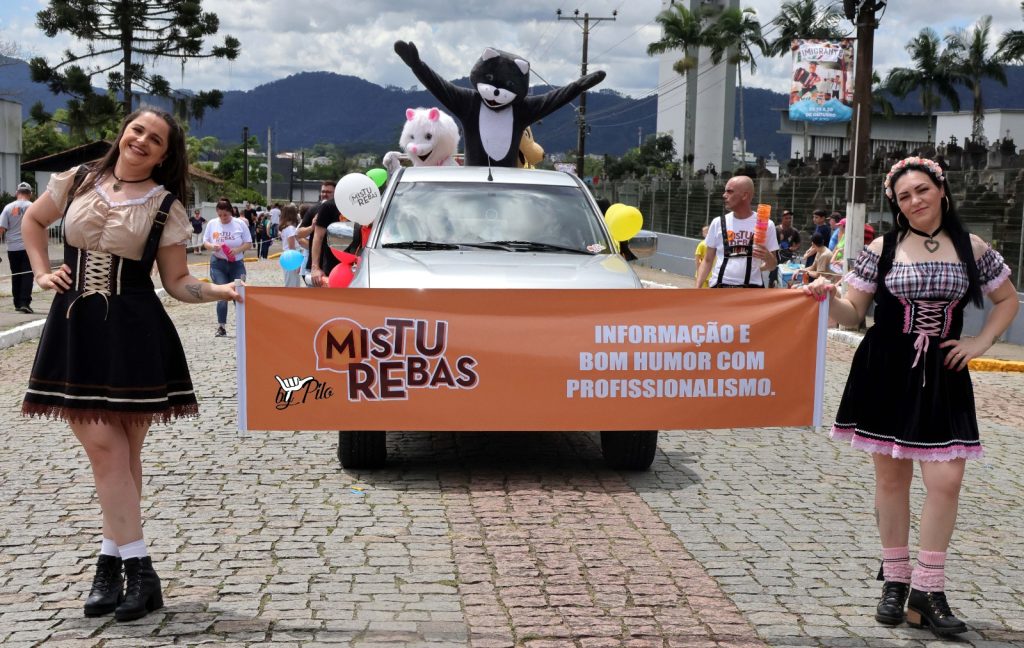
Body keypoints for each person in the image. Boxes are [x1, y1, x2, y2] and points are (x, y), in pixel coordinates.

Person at [18, 107, 243, 622]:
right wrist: (41, 269)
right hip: (75, 327)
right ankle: (139, 569)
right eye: (137, 130)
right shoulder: (77, 181)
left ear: (165, 155)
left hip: (135, 331)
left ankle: (109, 564)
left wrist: (221, 290)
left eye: (155, 139)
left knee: (123, 456)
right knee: (104, 448)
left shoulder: (165, 206)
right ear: (122, 132)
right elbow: (33, 219)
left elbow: (178, 282)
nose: (141, 140)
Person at [803, 157, 1018, 637]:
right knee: (893, 481)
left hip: (943, 373)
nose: (915, 201)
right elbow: (851, 312)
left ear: (941, 190)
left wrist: (979, 344)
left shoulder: (973, 247)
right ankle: (897, 582)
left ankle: (929, 587)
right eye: (904, 196)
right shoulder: (883, 248)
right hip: (886, 367)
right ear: (896, 205)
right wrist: (823, 296)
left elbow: (1008, 300)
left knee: (946, 481)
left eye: (922, 190)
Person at [695, 175, 778, 288]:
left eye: (730, 192)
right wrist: (697, 287)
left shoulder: (766, 224)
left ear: (745, 195)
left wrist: (767, 257)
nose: (724, 195)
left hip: (751, 292)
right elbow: (708, 260)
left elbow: (773, 265)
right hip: (720, 289)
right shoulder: (718, 222)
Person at [203, 197, 251, 336]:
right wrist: (213, 246)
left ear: (231, 212)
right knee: (222, 293)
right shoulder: (212, 224)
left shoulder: (240, 224)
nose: (223, 218)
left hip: (236, 263)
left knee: (238, 293)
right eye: (220, 215)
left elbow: (248, 243)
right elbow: (205, 242)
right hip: (218, 264)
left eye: (226, 215)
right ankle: (221, 326)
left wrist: (236, 250)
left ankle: (243, 325)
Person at [0, 182, 36, 313]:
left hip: (12, 249)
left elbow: (1, 229)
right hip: (29, 247)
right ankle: (25, 302)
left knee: (16, 275)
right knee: (27, 274)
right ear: (30, 194)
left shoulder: (8, 208)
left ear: (17, 193)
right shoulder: (33, 207)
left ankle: (17, 303)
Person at [298, 181, 335, 285]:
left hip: (335, 265)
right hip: (315, 267)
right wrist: (312, 227)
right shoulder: (313, 209)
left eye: (328, 192)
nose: (324, 194)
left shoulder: (341, 209)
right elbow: (299, 234)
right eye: (323, 191)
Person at [769, 209, 801, 288]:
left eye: (790, 218)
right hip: (776, 259)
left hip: (788, 260)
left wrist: (794, 248)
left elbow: (798, 243)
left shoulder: (794, 231)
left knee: (786, 281)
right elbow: (769, 242)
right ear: (782, 219)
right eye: (786, 218)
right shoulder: (775, 229)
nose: (789, 220)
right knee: (772, 279)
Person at [278, 203, 301, 287]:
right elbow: (292, 247)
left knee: (290, 281)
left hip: (287, 255)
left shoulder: (286, 228)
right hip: (291, 257)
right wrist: (298, 264)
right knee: (292, 283)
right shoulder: (291, 229)